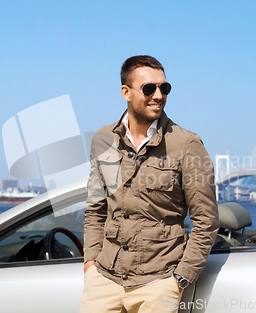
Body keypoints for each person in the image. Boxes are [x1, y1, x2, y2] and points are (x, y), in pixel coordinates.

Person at [80, 55, 219, 313]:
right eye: (149, 88)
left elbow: (206, 221)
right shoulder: (103, 140)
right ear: (126, 92)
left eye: (164, 88)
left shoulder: (187, 145)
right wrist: (90, 264)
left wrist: (179, 279)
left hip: (158, 282)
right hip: (104, 279)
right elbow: (96, 209)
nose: (158, 95)